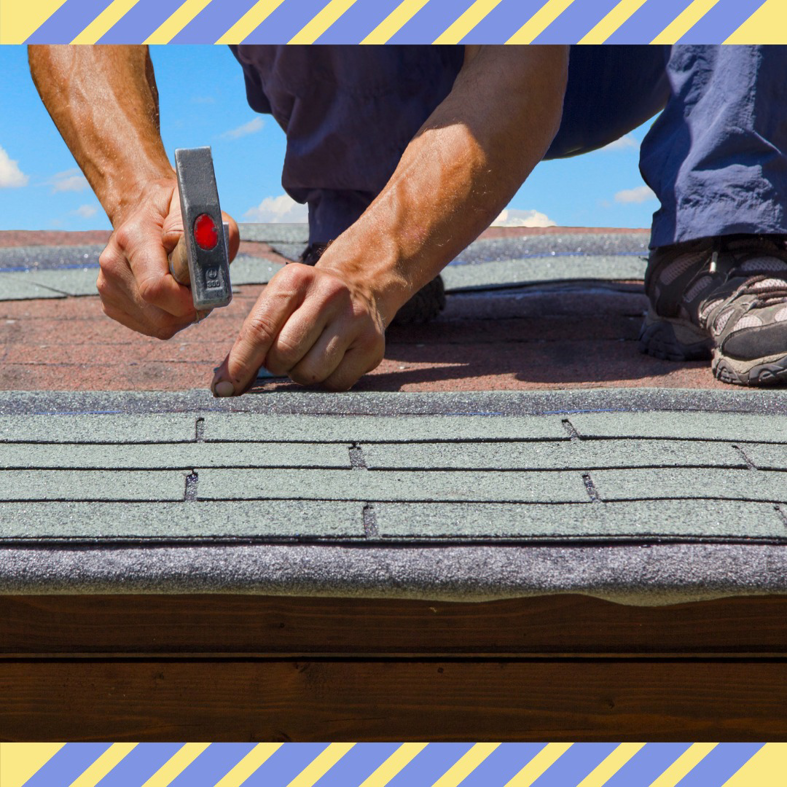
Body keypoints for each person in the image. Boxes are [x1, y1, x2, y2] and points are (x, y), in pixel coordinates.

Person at [29, 44, 787, 393]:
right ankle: (366, 199)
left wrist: (368, 273)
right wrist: (137, 191)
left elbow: (524, 66)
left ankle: (724, 224)